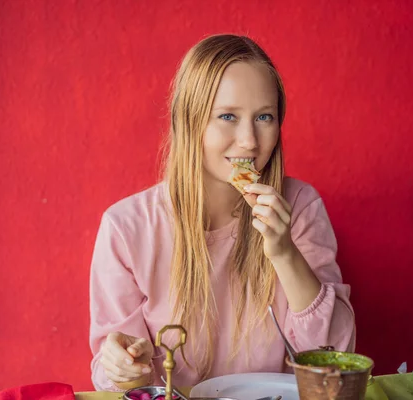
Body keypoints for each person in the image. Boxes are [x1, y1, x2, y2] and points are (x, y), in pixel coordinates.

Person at [89, 34, 355, 392]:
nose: (249, 140)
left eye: (264, 117)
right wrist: (126, 369)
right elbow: (118, 378)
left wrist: (284, 252)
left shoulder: (301, 207)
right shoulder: (126, 229)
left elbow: (335, 358)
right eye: (228, 116)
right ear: (189, 122)